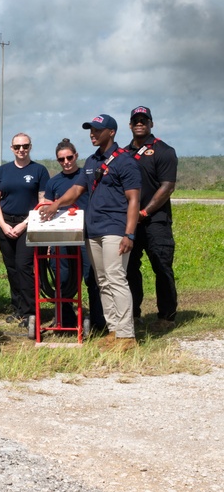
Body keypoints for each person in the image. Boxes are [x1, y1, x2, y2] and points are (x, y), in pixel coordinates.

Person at [39, 115, 141, 351]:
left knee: (116, 279)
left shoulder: (125, 161)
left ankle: (127, 336)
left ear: (112, 132)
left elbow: (134, 199)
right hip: (93, 230)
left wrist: (130, 234)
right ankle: (114, 330)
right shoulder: (92, 161)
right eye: (90, 130)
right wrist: (56, 204)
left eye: (97, 130)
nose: (92, 134)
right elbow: (76, 189)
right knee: (102, 281)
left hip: (115, 228)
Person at [125, 105, 178, 332]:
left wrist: (144, 212)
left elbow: (167, 187)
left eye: (144, 120)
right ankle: (134, 315)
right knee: (129, 270)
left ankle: (167, 317)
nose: (140, 123)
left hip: (156, 221)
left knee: (162, 266)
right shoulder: (123, 154)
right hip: (129, 223)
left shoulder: (164, 150)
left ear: (151, 124)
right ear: (130, 125)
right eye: (136, 120)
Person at [43, 139, 104, 334]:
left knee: (92, 278)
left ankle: (98, 321)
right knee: (63, 279)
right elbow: (46, 208)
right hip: (62, 238)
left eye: (69, 157)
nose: (66, 162)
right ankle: (65, 321)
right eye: (62, 159)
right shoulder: (53, 182)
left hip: (87, 236)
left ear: (76, 156)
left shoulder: (86, 177)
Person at [0, 133, 50, 327]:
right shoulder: (3, 171)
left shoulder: (39, 170)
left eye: (25, 146)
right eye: (17, 147)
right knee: (12, 268)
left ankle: (30, 312)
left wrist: (24, 224)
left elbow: (42, 202)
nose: (21, 150)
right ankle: (18, 308)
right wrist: (4, 224)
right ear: (11, 149)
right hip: (5, 224)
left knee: (24, 267)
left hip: (28, 224)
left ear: (30, 147)